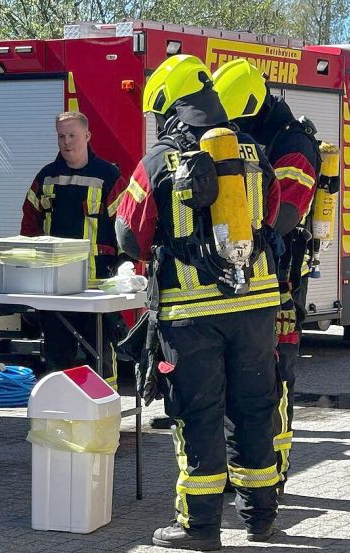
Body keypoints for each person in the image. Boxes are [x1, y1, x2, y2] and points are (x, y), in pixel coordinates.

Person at [116, 54, 283, 551]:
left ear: (167, 103)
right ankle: (260, 517)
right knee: (255, 408)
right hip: (254, 305)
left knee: (198, 413)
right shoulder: (251, 152)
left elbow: (128, 234)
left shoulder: (157, 162)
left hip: (192, 317)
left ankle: (199, 526)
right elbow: (271, 213)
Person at [213, 59, 322, 498]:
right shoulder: (255, 137)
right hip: (246, 283)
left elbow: (285, 216)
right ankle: (235, 476)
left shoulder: (294, 146)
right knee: (231, 384)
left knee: (273, 383)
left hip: (280, 285)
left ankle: (271, 478)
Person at [20, 112, 127, 385]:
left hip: (97, 285)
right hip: (54, 286)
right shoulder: (46, 177)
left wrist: (125, 265)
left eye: (72, 136)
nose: (66, 142)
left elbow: (126, 227)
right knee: (57, 353)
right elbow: (30, 226)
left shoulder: (108, 176)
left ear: (87, 136)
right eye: (61, 136)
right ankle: (62, 416)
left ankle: (107, 415)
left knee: (101, 353)